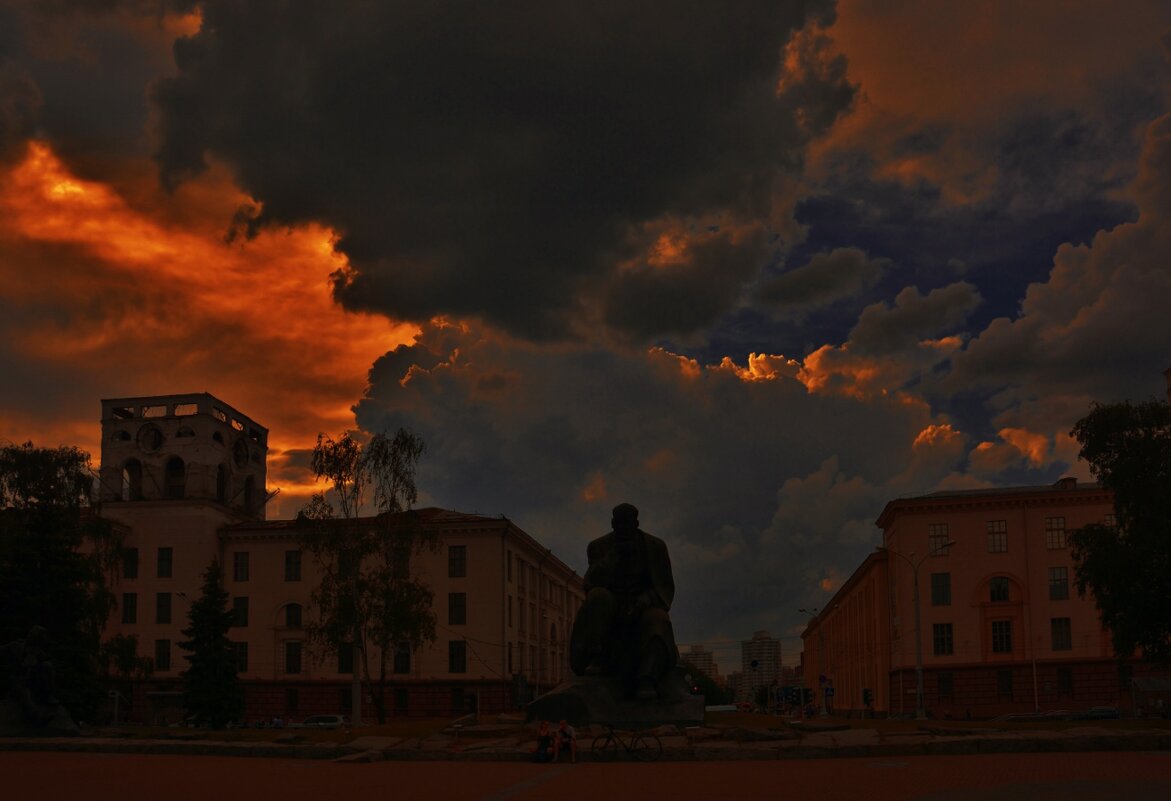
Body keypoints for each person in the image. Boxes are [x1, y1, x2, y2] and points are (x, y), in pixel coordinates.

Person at [569, 503, 679, 700]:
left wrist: (641, 603)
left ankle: (647, 678)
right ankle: (598, 658)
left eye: (627, 524)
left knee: (658, 618)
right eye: (618, 524)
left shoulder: (655, 547)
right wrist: (613, 556)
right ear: (612, 524)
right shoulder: (598, 547)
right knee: (598, 597)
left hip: (643, 609)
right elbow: (591, 583)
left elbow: (663, 588)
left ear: (636, 524)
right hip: (611, 607)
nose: (622, 529)